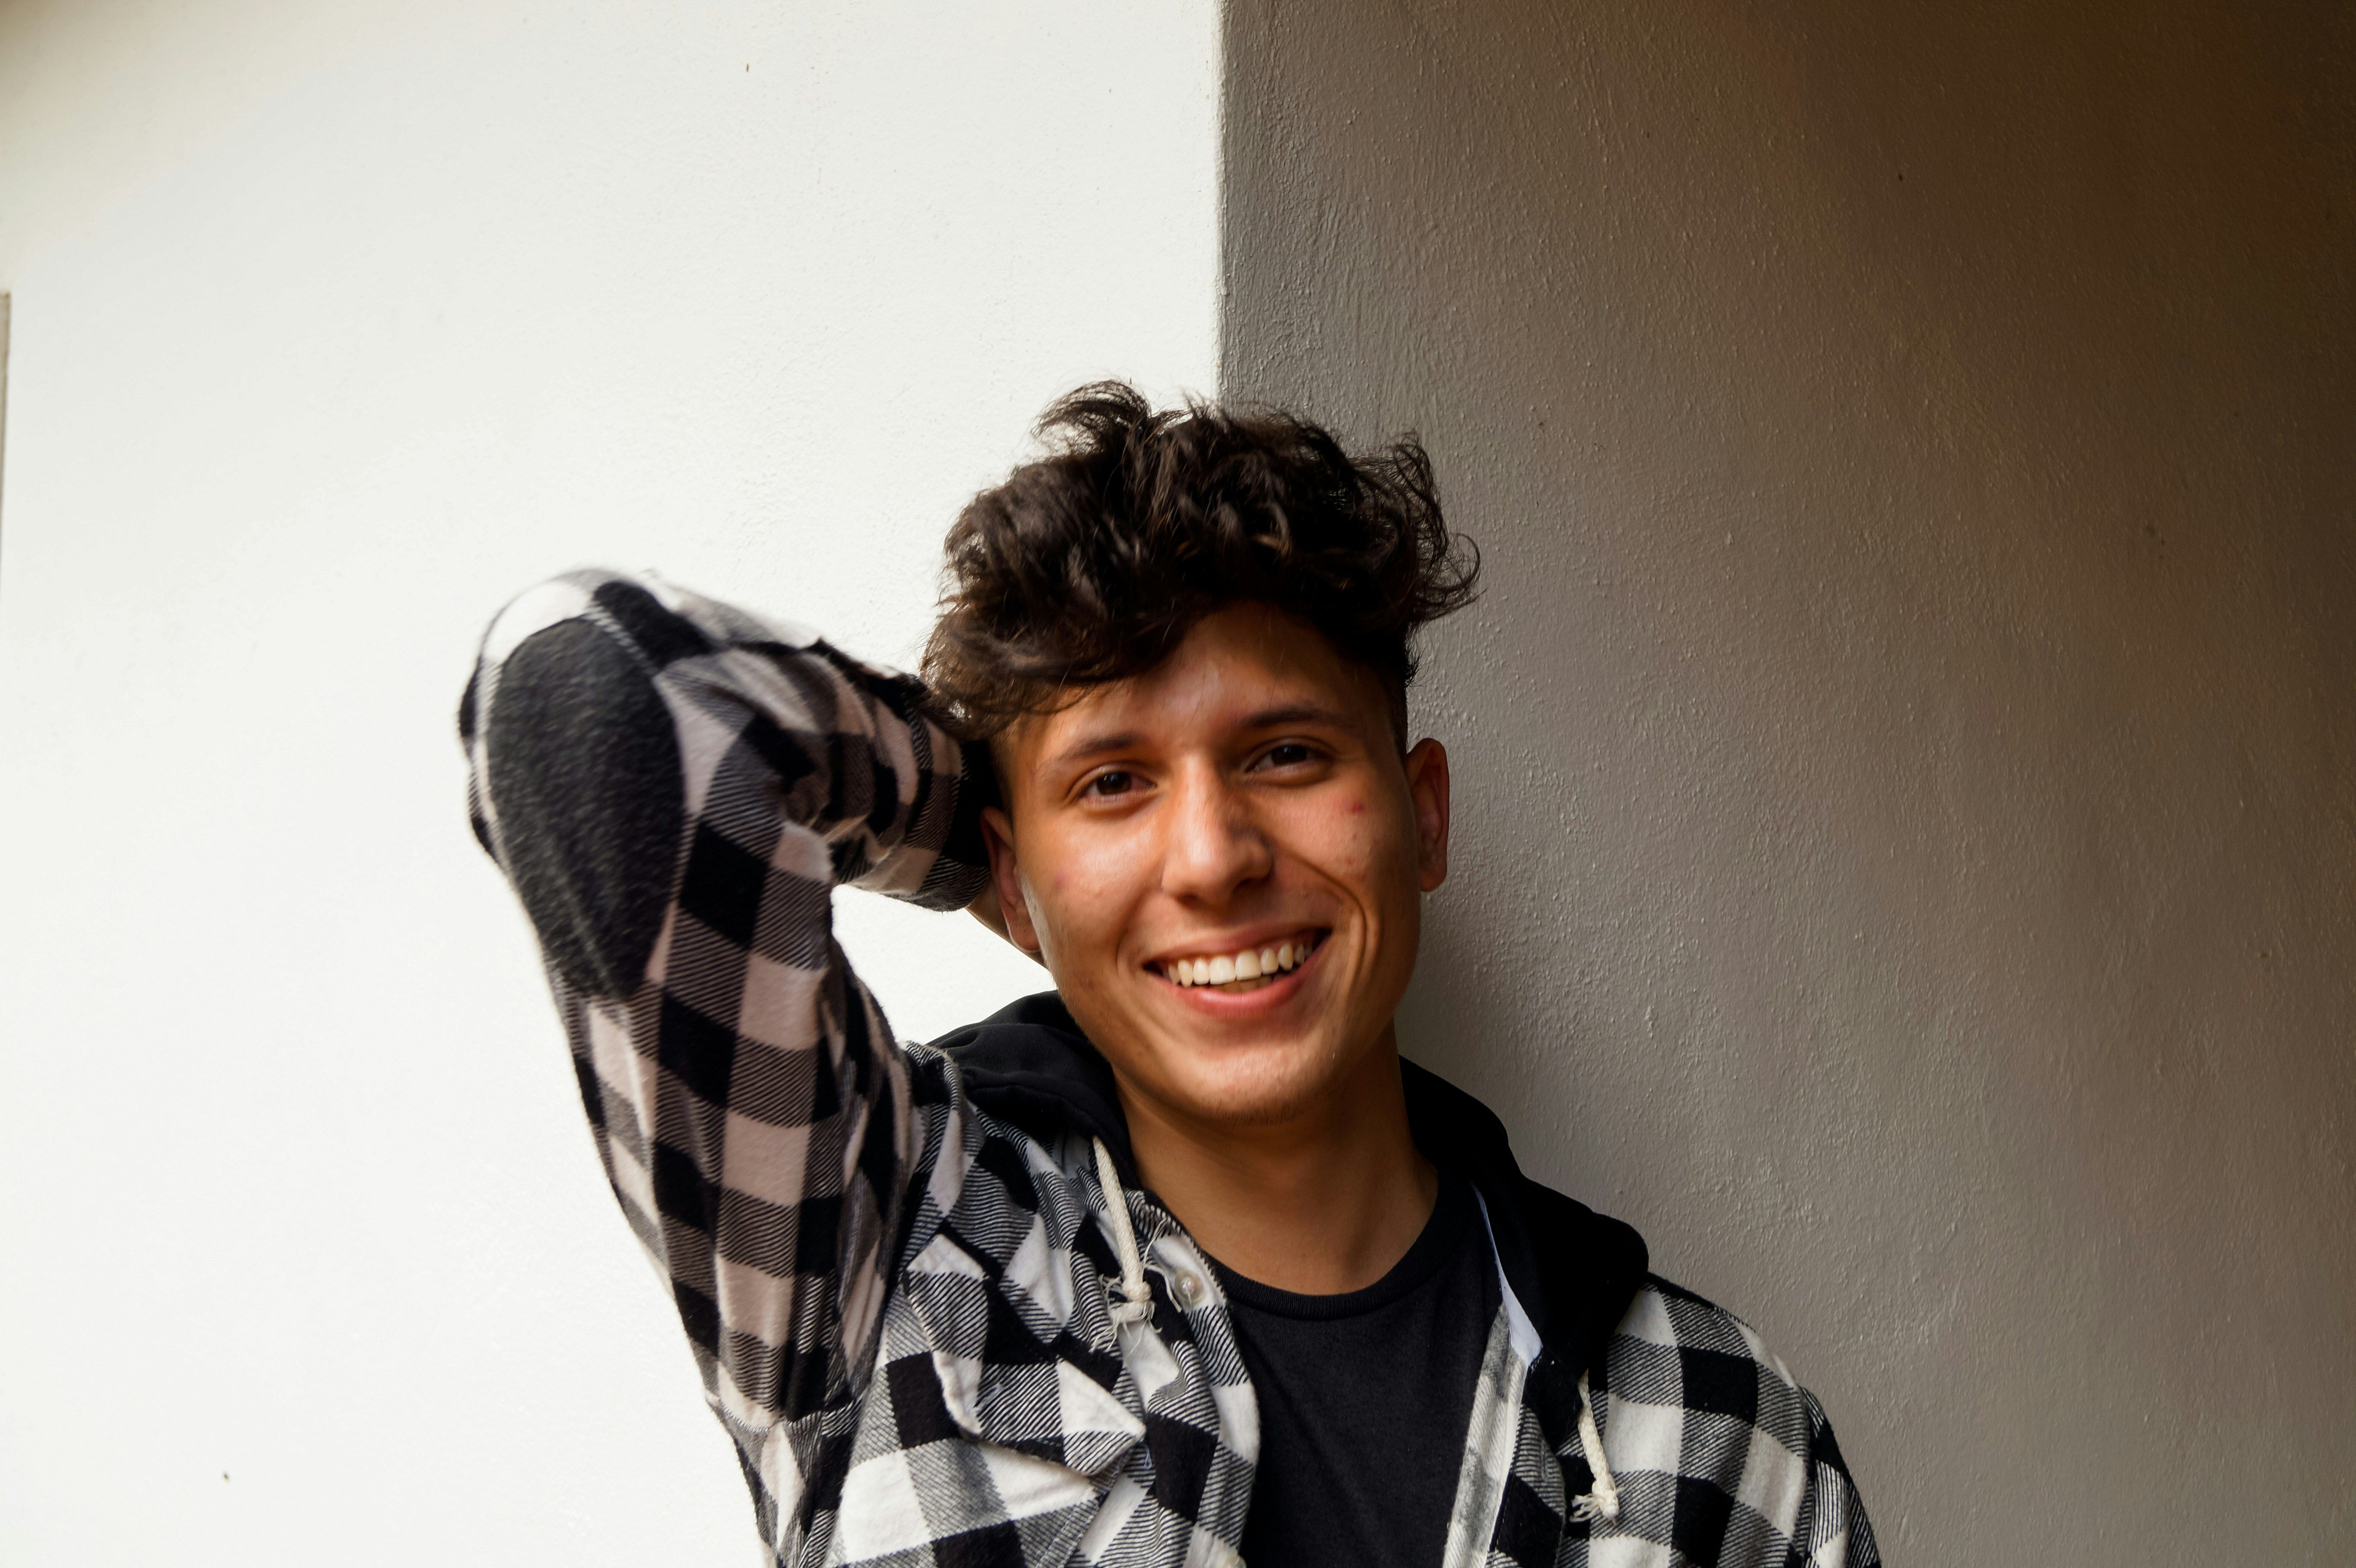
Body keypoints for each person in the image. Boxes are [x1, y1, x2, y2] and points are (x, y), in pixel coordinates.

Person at [459, 383, 1878, 1568]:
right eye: (1117, 783)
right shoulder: (882, 1238)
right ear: (1012, 881)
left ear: (1422, 814)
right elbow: (598, 694)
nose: (1210, 858)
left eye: (1284, 755)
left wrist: (1076, 863)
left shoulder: (1724, 1428)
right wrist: (992, 855)